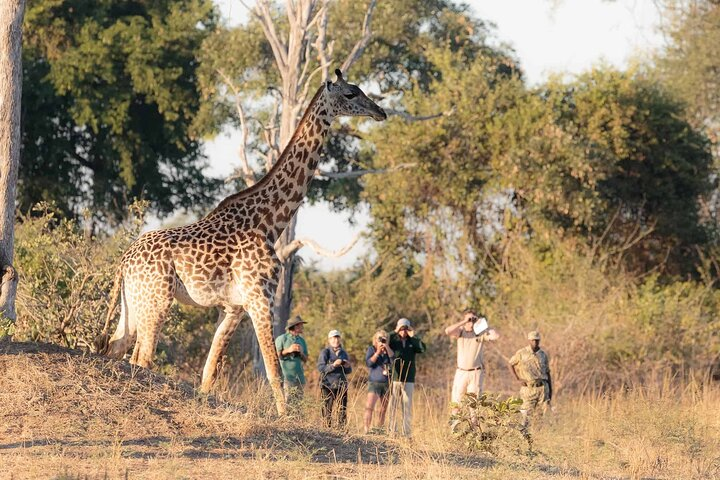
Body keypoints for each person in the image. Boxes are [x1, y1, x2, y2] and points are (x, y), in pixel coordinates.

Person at [444, 310, 500, 411]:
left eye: (472, 320)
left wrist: (481, 323)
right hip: (461, 372)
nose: (471, 322)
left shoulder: (480, 333)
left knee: (474, 405)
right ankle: (455, 426)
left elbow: (495, 336)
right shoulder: (460, 332)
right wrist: (464, 321)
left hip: (475, 373)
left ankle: (474, 426)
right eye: (469, 320)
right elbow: (447, 331)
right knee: (456, 402)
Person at [388, 317, 426, 437]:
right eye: (401, 328)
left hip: (409, 378)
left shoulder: (412, 342)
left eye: (406, 328)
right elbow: (385, 340)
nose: (403, 331)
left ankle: (406, 432)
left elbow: (422, 348)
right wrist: (395, 331)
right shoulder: (393, 340)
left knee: (407, 406)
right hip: (395, 377)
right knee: (393, 405)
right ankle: (392, 431)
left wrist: (413, 336)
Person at [508, 330, 552, 429]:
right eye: (533, 340)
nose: (535, 342)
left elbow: (548, 373)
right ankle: (524, 434)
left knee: (541, 415)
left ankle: (537, 435)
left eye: (537, 340)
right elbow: (511, 363)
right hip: (528, 388)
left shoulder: (543, 354)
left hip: (542, 387)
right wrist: (518, 379)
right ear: (529, 340)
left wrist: (550, 391)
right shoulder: (522, 353)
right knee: (526, 415)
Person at [317, 329, 352, 428]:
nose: (335, 340)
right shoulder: (325, 352)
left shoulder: (344, 353)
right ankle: (326, 431)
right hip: (327, 385)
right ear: (329, 340)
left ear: (340, 339)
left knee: (342, 410)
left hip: (341, 385)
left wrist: (347, 366)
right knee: (327, 409)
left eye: (337, 338)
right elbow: (321, 368)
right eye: (333, 338)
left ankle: (341, 431)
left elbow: (349, 371)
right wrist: (333, 365)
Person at [363, 329, 394, 434]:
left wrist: (386, 347)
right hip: (374, 382)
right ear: (375, 340)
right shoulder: (371, 349)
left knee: (383, 409)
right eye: (379, 338)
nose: (381, 340)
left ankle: (379, 430)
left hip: (386, 383)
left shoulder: (388, 350)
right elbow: (369, 364)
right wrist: (377, 352)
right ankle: (366, 430)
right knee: (369, 407)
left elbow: (394, 360)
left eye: (383, 338)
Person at [275, 315, 309, 410]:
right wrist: (288, 350)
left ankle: (298, 424)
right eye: (301, 325)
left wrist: (301, 353)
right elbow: (275, 356)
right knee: (288, 403)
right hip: (286, 377)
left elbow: (306, 359)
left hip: (299, 377)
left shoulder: (301, 340)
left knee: (299, 405)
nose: (302, 327)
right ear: (295, 326)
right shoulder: (282, 339)